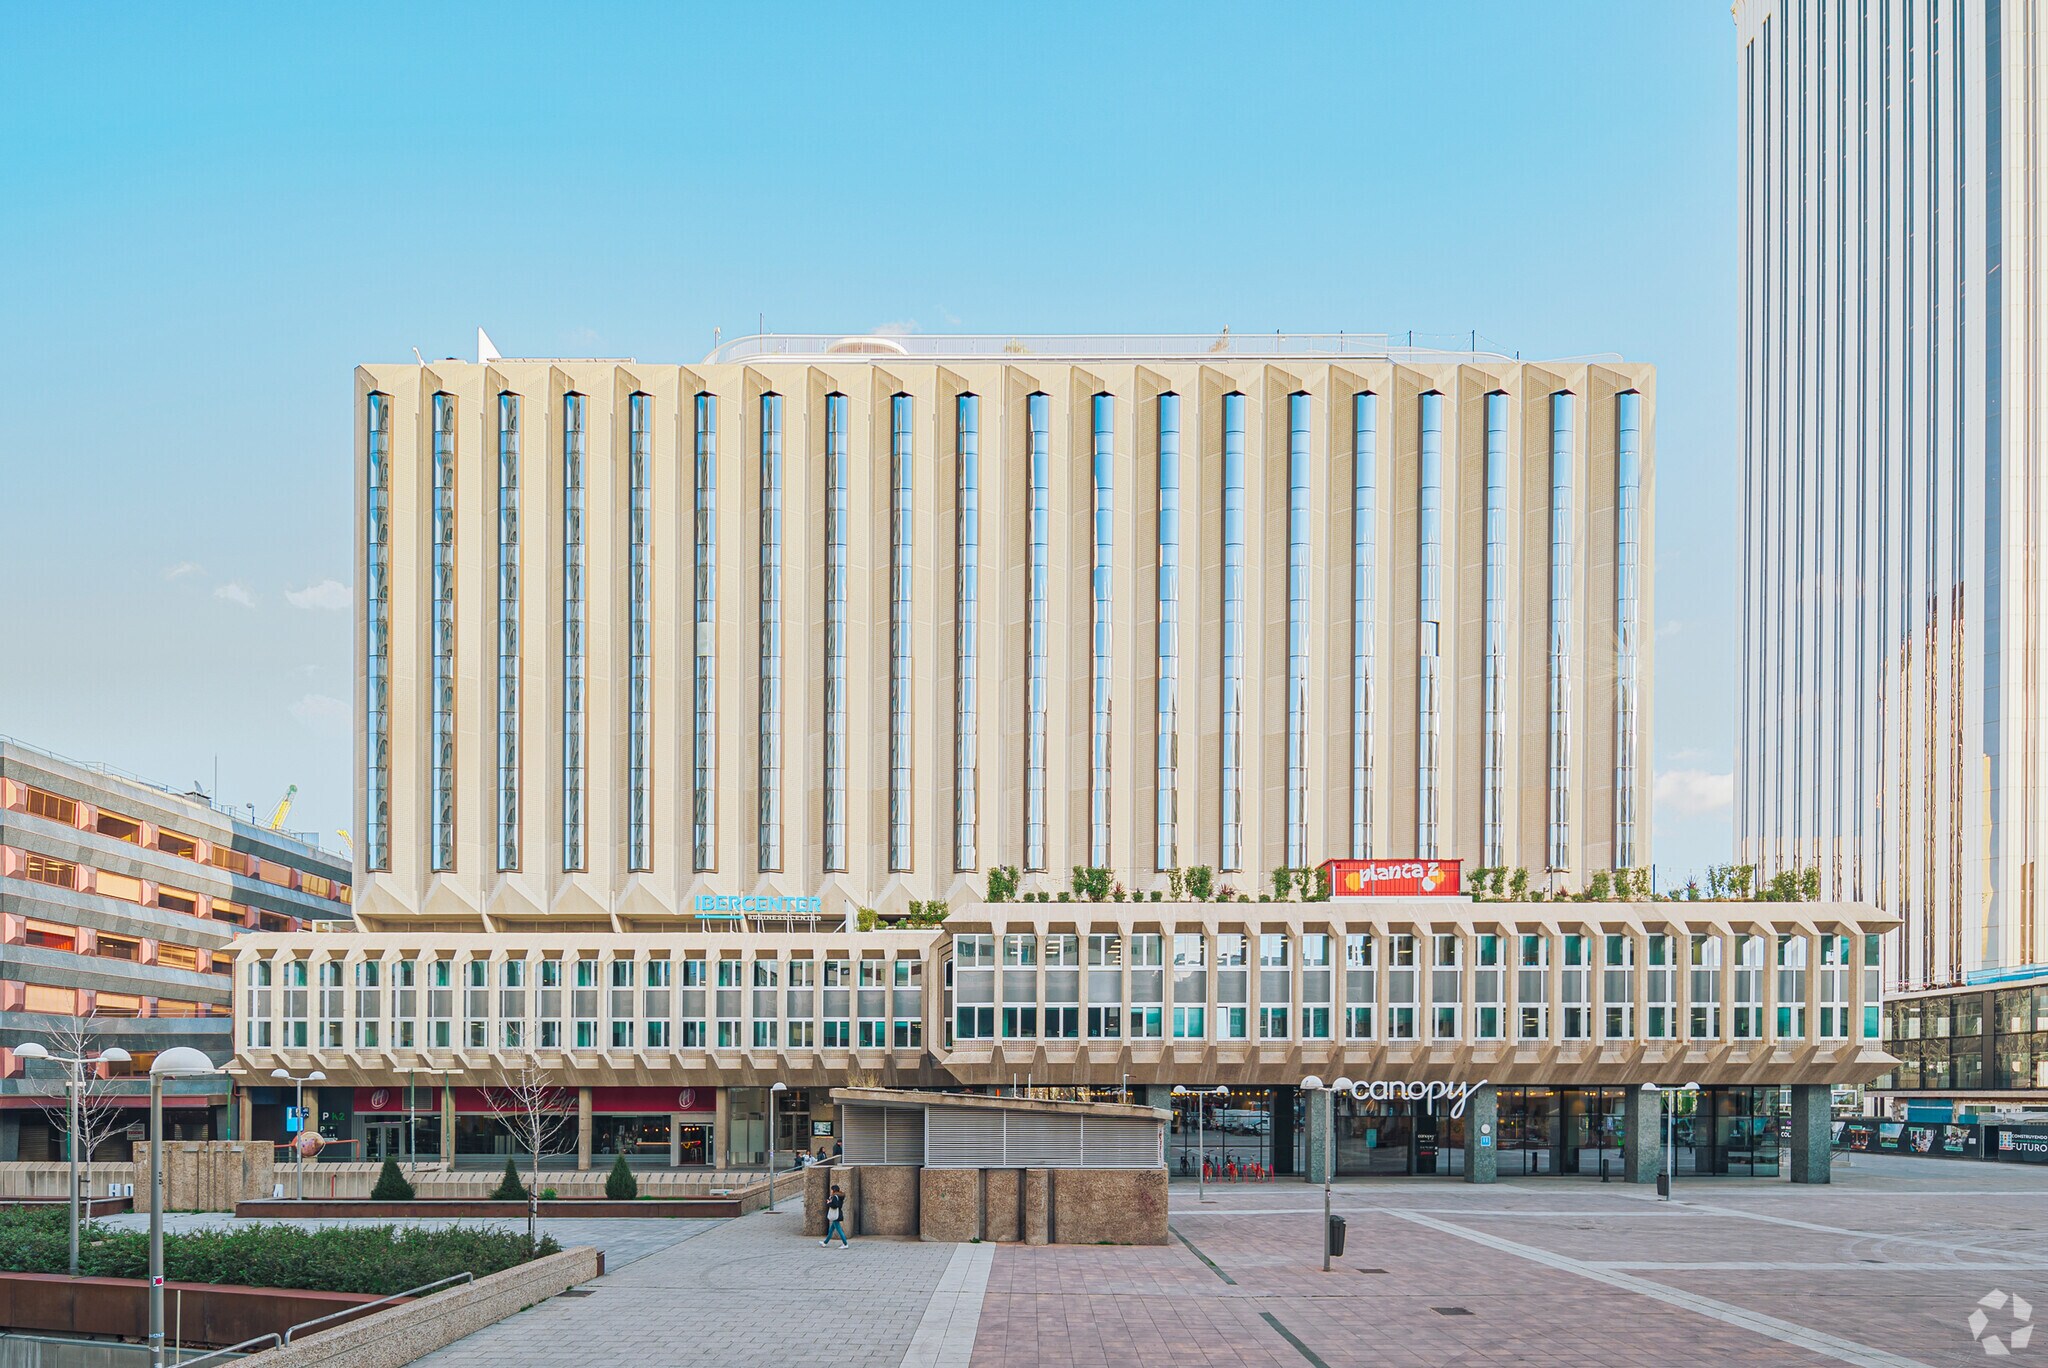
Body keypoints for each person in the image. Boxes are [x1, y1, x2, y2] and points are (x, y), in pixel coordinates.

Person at [821, 1183, 849, 1248]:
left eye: (832, 1190)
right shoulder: (839, 1196)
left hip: (836, 1215)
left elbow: (835, 1205)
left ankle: (845, 1244)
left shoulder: (835, 1196)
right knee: (831, 1230)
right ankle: (825, 1243)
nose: (831, 1191)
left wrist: (829, 1203)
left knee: (839, 1230)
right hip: (838, 1213)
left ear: (833, 1190)